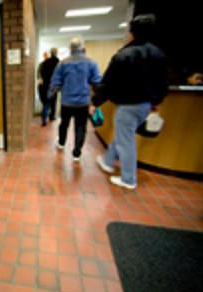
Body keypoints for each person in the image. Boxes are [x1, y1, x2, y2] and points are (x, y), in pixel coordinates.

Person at [91, 14, 168, 189]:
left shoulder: (124, 55)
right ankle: (107, 161)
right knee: (124, 135)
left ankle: (128, 179)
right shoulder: (158, 54)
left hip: (127, 106)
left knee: (125, 141)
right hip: (145, 106)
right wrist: (155, 101)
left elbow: (108, 83)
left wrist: (95, 102)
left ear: (132, 32)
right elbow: (163, 82)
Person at [48, 37, 101, 161]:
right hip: (83, 103)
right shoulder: (92, 62)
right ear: (83, 48)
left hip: (67, 102)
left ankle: (61, 143)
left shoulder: (63, 63)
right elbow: (97, 83)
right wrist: (96, 102)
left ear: (70, 49)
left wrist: (49, 96)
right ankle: (76, 153)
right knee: (80, 127)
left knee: (64, 124)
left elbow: (55, 83)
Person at [38, 48, 59, 126]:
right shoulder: (57, 62)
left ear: (50, 53)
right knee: (53, 101)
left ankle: (44, 119)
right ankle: (51, 116)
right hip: (53, 85)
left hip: (44, 85)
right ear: (56, 53)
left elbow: (41, 74)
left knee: (46, 103)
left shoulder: (45, 62)